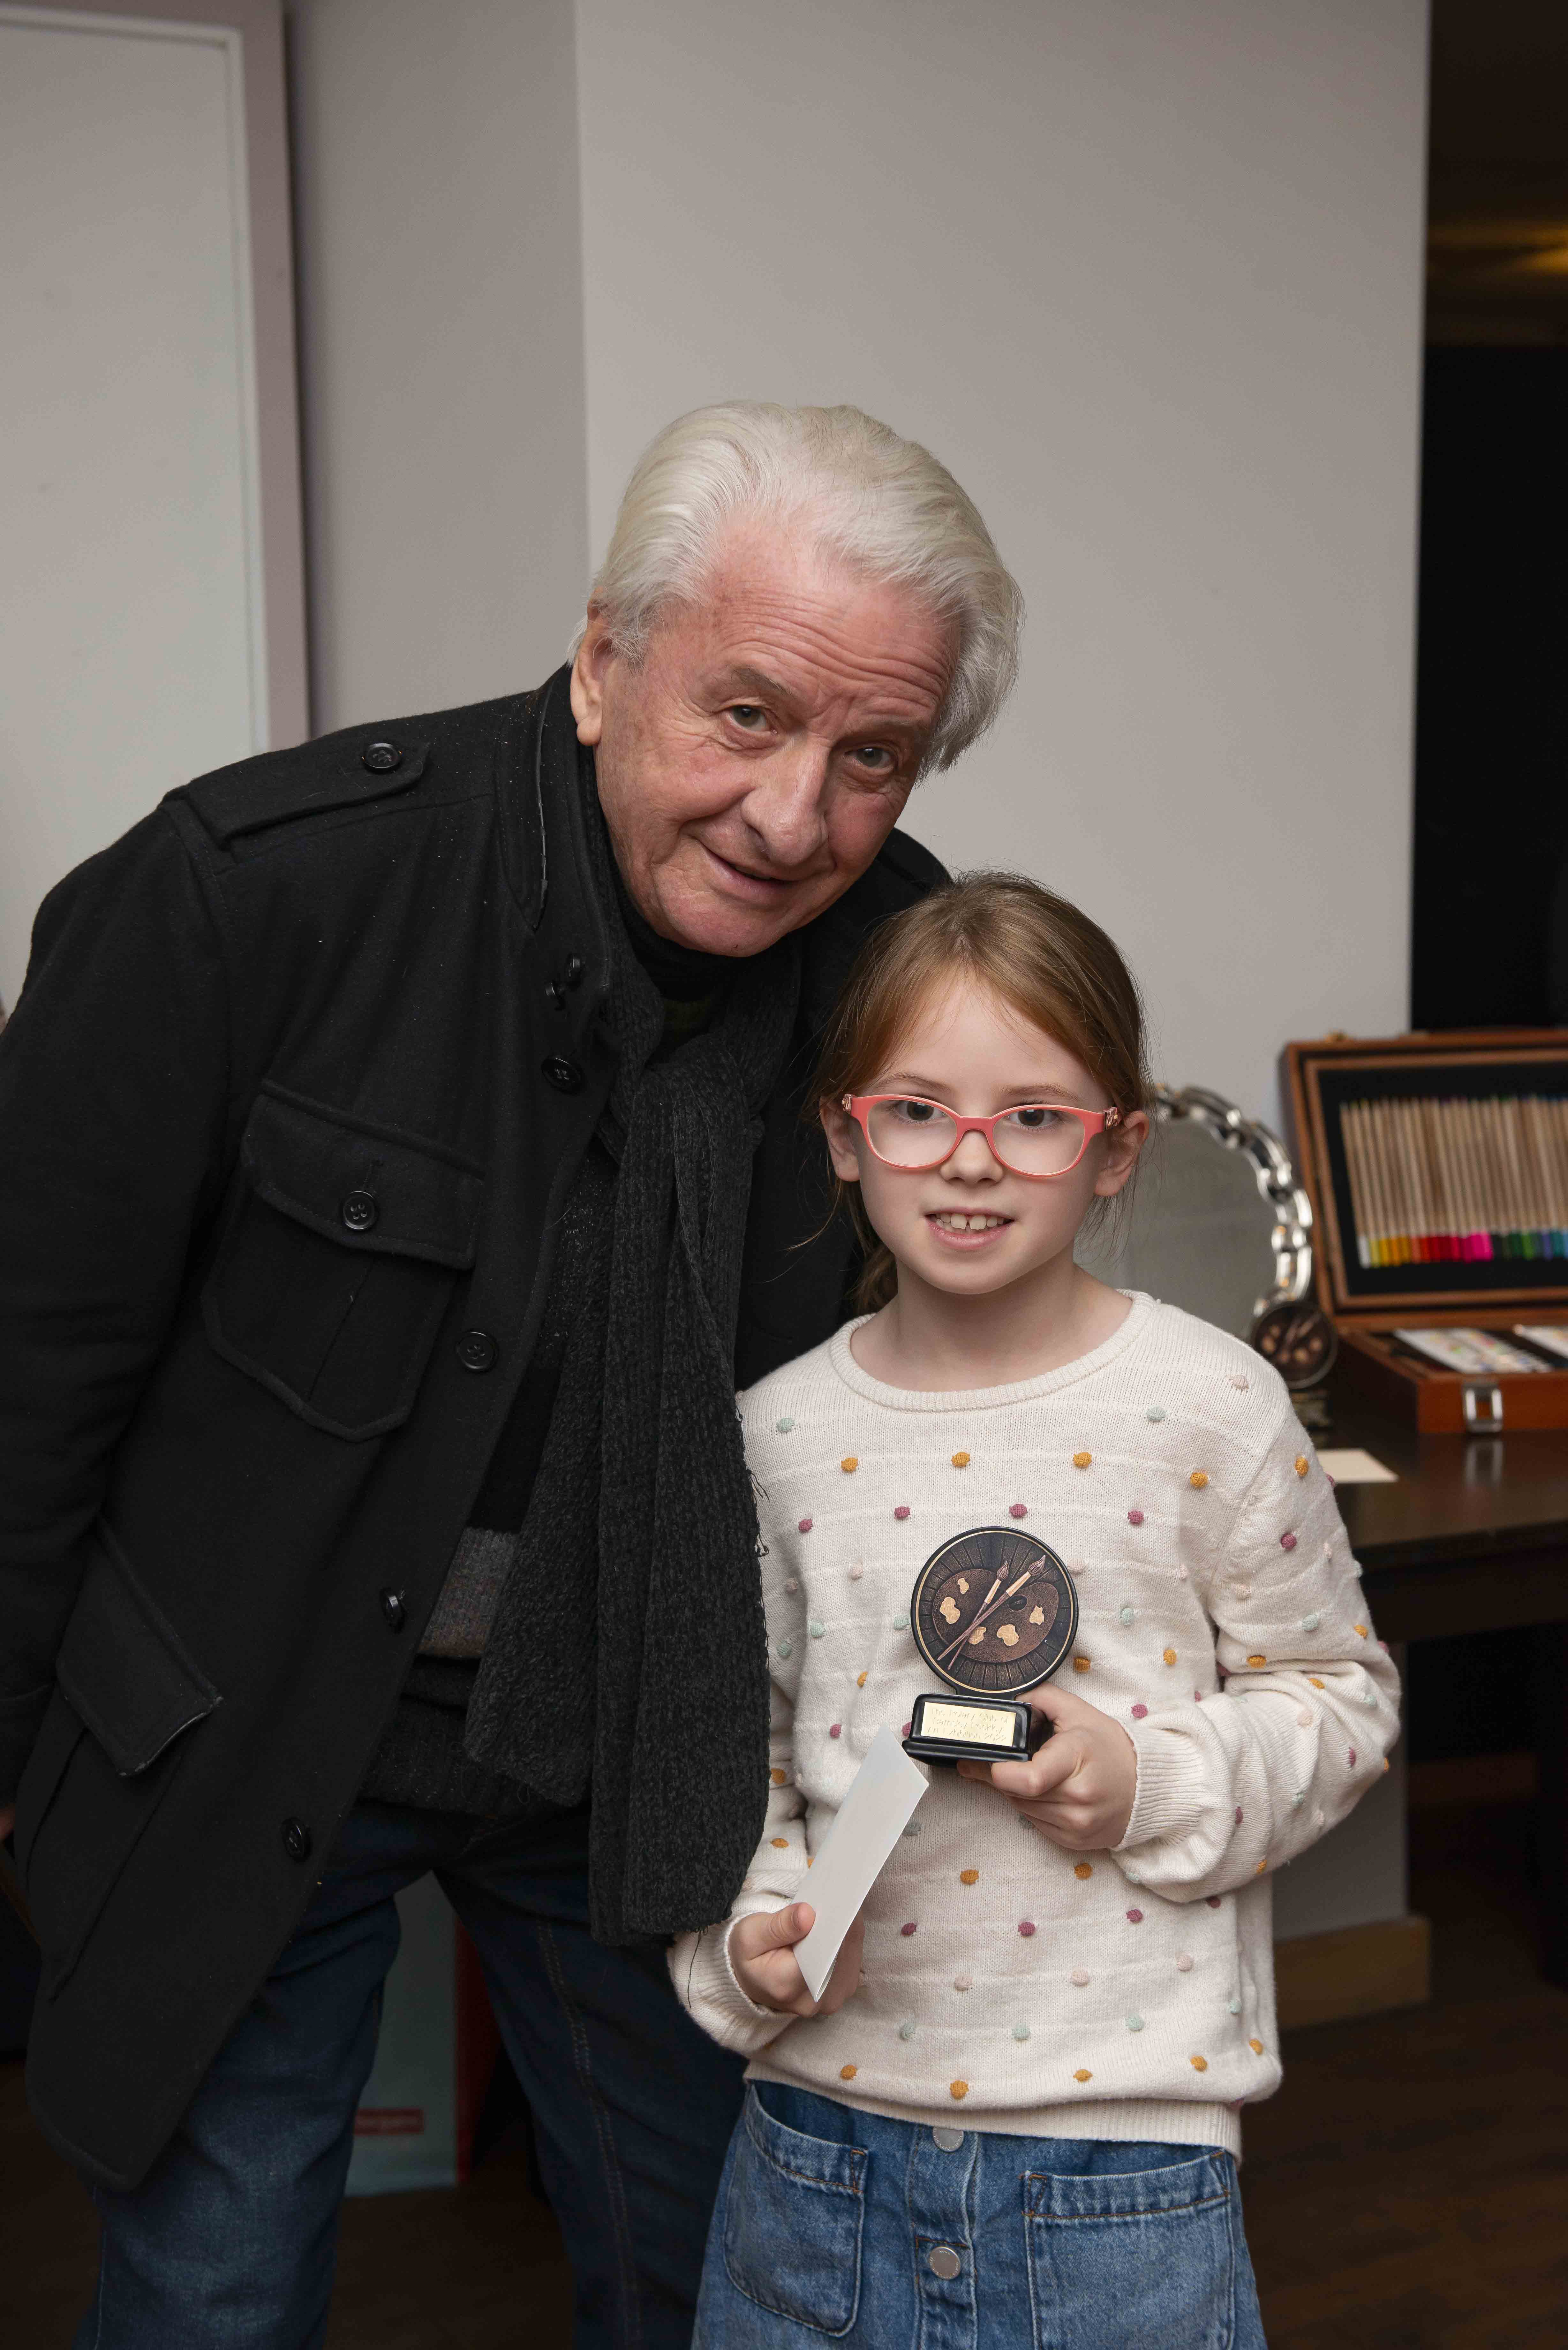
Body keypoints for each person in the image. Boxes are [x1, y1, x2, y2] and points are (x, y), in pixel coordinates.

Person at [0, 404, 1023, 2348]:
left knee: (722, 2279)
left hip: (641, 1740)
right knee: (216, 2289)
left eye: (871, 756)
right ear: (604, 659)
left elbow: (949, 1367)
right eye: (745, 715)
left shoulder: (906, 963)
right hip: (241, 1721)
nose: (791, 817)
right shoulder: (254, 888)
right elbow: (30, 1370)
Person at [672, 874, 1402, 2348]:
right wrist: (746, 1938)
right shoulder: (771, 1436)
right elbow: (733, 1749)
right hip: (818, 2145)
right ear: (843, 1134)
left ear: (1116, 1147)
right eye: (917, 1109)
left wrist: (1149, 1779)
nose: (971, 1159)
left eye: (1034, 1116)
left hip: (1120, 2165)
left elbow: (1340, 1696)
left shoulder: (1211, 1408)